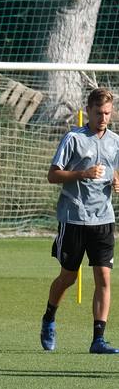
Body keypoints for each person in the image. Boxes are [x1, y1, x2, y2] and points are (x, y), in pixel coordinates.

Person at [40, 87, 119, 354]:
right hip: (74, 217)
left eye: (108, 113)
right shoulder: (74, 138)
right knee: (68, 277)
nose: (104, 118)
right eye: (99, 113)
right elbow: (53, 175)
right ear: (88, 111)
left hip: (103, 219)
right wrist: (82, 173)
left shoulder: (115, 141)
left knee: (104, 279)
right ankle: (49, 317)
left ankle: (98, 338)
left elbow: (115, 170)